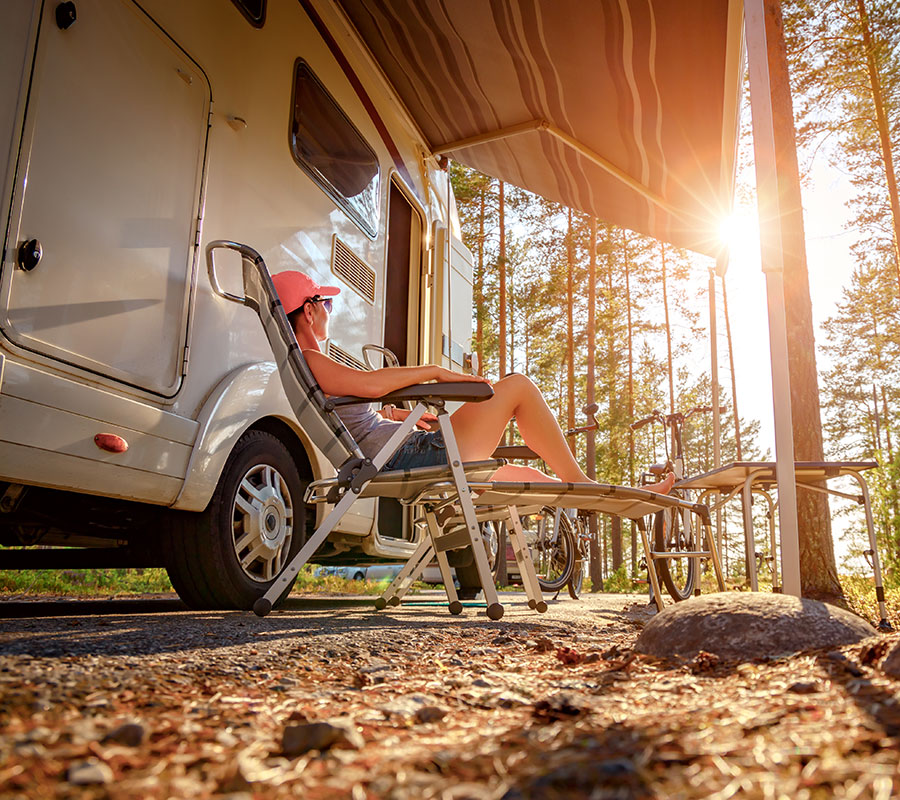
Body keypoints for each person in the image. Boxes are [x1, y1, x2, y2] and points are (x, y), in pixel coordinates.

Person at [272, 270, 675, 492]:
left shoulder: (313, 364)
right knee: (517, 386)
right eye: (324, 303)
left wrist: (396, 414)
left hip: (405, 449)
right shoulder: (312, 360)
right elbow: (373, 383)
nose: (329, 310)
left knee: (535, 480)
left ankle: (603, 494)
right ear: (308, 312)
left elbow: (360, 409)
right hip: (412, 456)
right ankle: (582, 483)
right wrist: (435, 371)